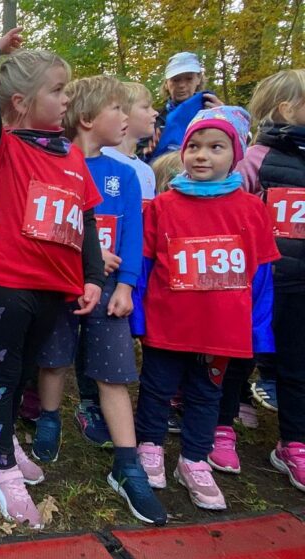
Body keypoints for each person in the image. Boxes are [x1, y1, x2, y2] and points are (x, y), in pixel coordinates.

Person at [0, 27, 104, 529]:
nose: (67, 98)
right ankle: (1, 468)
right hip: (8, 283)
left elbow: (86, 218)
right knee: (4, 374)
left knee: (23, 371)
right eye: (58, 90)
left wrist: (92, 277)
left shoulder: (70, 154)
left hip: (57, 288)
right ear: (23, 102)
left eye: (67, 89)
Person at [32, 76, 165, 525]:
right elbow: (42, 227)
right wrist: (87, 253)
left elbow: (132, 238)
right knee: (53, 360)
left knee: (114, 372)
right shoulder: (51, 166)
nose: (127, 118)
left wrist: (126, 285)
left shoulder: (125, 175)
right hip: (60, 284)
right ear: (87, 119)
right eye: (117, 109)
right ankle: (49, 419)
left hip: (108, 292)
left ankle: (127, 465)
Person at [133, 106, 279, 511]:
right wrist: (140, 319)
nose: (202, 155)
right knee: (157, 389)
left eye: (215, 147)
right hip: (168, 325)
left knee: (205, 396)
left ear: (235, 153)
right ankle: (149, 447)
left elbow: (262, 275)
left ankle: (194, 460)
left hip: (221, 331)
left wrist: (258, 331)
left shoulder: (252, 210)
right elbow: (144, 266)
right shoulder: (162, 207)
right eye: (194, 146)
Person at [234, 69, 305, 491]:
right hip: (258, 283)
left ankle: (294, 443)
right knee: (242, 350)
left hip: (301, 286)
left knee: (297, 365)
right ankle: (225, 420)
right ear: (287, 109)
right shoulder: (255, 161)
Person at [150, 52, 223, 160]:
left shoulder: (214, 110)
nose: (182, 85)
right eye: (176, 80)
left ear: (198, 79)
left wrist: (225, 116)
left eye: (189, 79)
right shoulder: (154, 117)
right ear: (166, 83)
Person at [103, 82, 158, 205]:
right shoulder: (100, 158)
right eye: (146, 107)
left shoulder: (147, 170)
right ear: (123, 112)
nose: (155, 113)